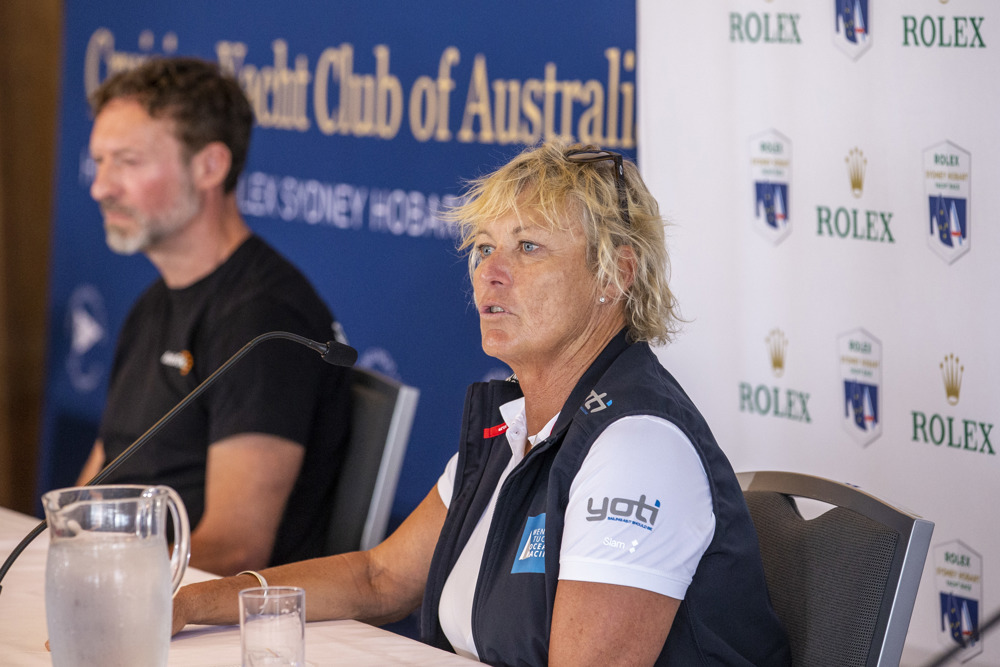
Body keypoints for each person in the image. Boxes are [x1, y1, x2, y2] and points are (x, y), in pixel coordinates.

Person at [171, 143, 790, 665]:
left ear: (614, 275)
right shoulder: (518, 423)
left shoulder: (637, 447)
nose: (490, 272)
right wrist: (188, 603)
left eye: (528, 247)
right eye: (483, 247)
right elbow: (380, 579)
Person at [76, 57, 351, 576]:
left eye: (128, 162)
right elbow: (97, 482)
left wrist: (100, 577)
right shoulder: (154, 301)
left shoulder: (264, 320)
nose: (101, 187)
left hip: (202, 613)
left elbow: (234, 548)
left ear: (210, 167)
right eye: (99, 162)